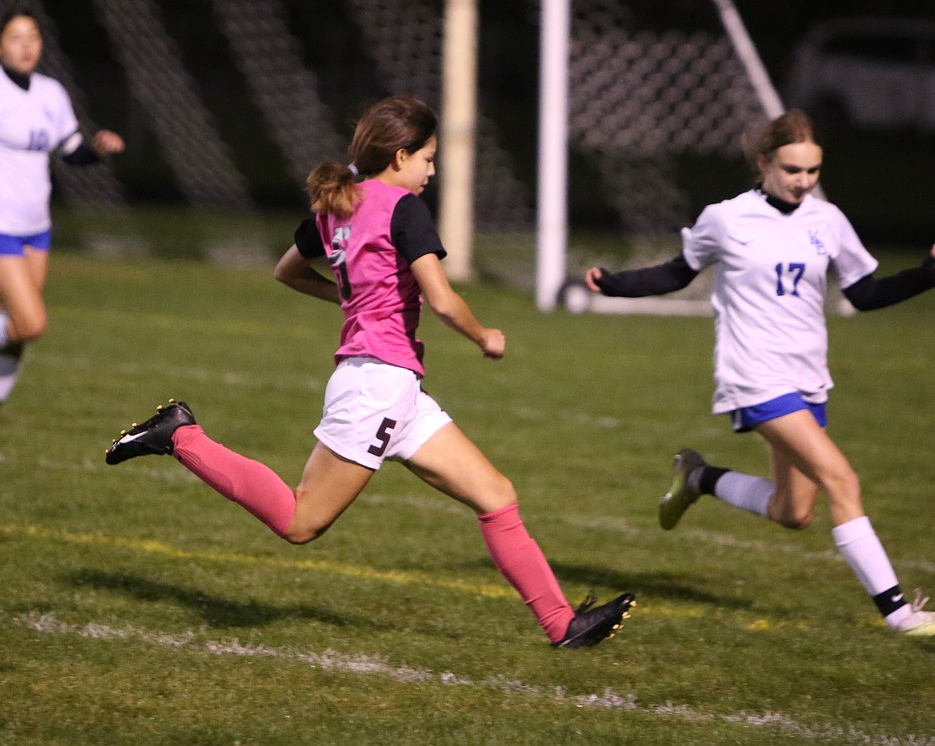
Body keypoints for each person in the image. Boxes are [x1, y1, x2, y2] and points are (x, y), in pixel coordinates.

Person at [105, 96, 635, 648]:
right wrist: (486, 336)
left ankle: (562, 625)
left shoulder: (339, 204)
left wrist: (354, 303)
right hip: (376, 386)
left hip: (392, 384)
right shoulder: (403, 209)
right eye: (428, 159)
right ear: (401, 156)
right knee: (300, 521)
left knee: (495, 494)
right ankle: (181, 435)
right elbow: (446, 302)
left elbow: (288, 271)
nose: (432, 172)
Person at [584, 108, 935, 637]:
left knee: (792, 512)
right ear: (763, 163)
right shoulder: (727, 217)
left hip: (807, 378)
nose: (803, 182)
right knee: (842, 480)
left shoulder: (826, 220)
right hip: (753, 375)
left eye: (812, 172)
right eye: (791, 170)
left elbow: (864, 293)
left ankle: (698, 477)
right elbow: (676, 272)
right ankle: (900, 615)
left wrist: (924, 277)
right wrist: (614, 283)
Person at [0, 9, 125, 407]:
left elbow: (71, 152)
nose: (26, 45)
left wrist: (98, 149)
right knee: (30, 322)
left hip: (37, 227)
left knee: (16, 333)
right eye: (15, 37)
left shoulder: (50, 92)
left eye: (33, 36)